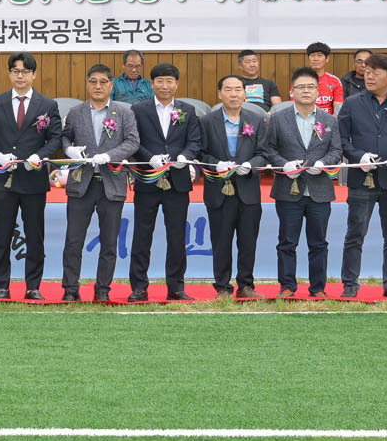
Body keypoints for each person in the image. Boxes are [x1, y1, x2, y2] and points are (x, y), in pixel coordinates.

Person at [54, 64, 139, 301]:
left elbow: (132, 142)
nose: (98, 86)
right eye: (93, 81)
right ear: (87, 84)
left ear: (111, 85)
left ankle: (102, 290)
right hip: (81, 184)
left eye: (103, 82)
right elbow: (65, 137)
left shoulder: (124, 113)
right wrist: (69, 149)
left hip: (112, 184)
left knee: (109, 242)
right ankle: (70, 289)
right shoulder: (76, 112)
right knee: (73, 241)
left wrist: (110, 156)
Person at [338, 53, 387, 299]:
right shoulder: (352, 103)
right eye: (367, 71)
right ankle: (350, 284)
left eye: (376, 72)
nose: (369, 76)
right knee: (355, 233)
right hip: (362, 178)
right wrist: (358, 156)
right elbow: (342, 139)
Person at [0, 51, 59, 300]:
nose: (20, 76)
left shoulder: (47, 105)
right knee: (2, 235)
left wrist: (40, 155)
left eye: (25, 71)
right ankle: (1, 286)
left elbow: (55, 138)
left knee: (34, 235)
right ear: (9, 74)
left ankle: (33, 286)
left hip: (33, 179)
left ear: (34, 74)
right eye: (15, 71)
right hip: (3, 179)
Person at [263, 68, 343, 298]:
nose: (306, 91)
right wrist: (283, 165)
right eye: (301, 87)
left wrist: (324, 163)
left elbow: (337, 150)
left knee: (319, 243)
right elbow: (269, 149)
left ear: (318, 91)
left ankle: (318, 288)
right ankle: (287, 286)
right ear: (292, 91)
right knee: (287, 242)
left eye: (311, 87)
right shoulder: (278, 119)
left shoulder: (329, 120)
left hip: (319, 190)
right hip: (288, 190)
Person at [127, 62, 200, 303]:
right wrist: (149, 158)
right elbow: (134, 141)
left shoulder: (187, 110)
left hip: (177, 182)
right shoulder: (139, 109)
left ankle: (176, 287)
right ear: (152, 84)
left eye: (169, 81)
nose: (165, 86)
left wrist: (185, 157)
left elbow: (195, 141)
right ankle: (139, 287)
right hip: (147, 180)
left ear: (176, 84)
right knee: (142, 235)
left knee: (177, 237)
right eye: (160, 81)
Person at [199, 75, 267, 298]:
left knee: (248, 241)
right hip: (218, 190)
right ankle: (222, 286)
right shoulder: (207, 122)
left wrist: (251, 165)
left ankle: (246, 286)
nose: (234, 94)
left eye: (238, 89)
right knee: (221, 241)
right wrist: (215, 164)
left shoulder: (256, 120)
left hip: (248, 190)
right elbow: (200, 153)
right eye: (228, 89)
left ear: (245, 94)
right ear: (220, 93)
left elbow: (264, 153)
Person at [305, 43, 347, 116]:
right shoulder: (299, 80)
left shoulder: (335, 81)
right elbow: (296, 105)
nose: (315, 59)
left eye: (319, 55)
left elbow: (338, 108)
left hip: (329, 119)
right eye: (312, 55)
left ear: (327, 59)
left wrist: (331, 121)